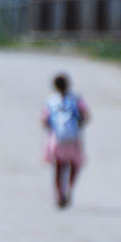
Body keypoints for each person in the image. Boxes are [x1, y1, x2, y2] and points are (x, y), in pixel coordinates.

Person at [42, 73, 90, 209]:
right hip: (73, 140)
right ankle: (69, 189)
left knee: (58, 168)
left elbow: (44, 121)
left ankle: (59, 195)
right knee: (74, 166)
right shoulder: (76, 99)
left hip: (57, 140)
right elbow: (86, 116)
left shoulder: (51, 101)